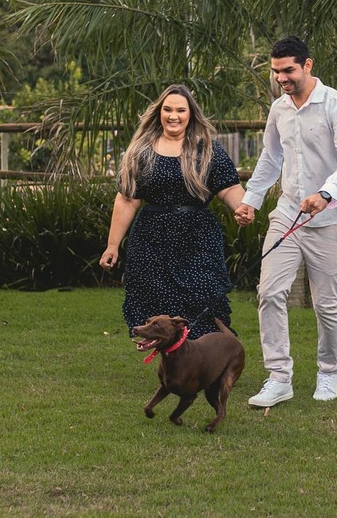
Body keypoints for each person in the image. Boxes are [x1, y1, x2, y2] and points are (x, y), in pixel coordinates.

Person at [234, 36, 337, 405]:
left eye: (288, 70)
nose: (282, 78)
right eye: (276, 72)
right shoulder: (279, 109)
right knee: (269, 293)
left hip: (332, 221)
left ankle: (327, 373)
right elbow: (270, 159)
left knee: (326, 304)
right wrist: (251, 201)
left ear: (308, 65)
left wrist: (325, 193)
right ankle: (279, 377)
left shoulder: (336, 105)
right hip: (287, 216)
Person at [100, 84, 246, 339]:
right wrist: (112, 245)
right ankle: (175, 366)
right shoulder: (141, 151)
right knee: (156, 301)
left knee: (202, 294)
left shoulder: (207, 149)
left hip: (197, 236)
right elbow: (127, 200)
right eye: (167, 109)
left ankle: (206, 359)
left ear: (191, 114)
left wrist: (243, 208)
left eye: (180, 110)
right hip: (151, 238)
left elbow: (228, 187)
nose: (173, 115)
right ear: (159, 112)